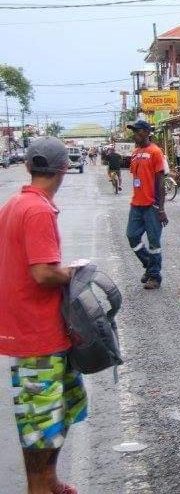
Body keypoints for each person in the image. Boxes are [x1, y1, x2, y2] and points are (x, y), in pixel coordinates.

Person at [0, 138, 86, 494]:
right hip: (38, 334)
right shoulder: (37, 210)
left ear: (27, 167)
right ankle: (39, 486)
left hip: (34, 328)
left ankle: (47, 481)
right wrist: (77, 271)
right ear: (65, 168)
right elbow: (43, 273)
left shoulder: (16, 204)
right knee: (40, 424)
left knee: (51, 417)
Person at [126, 120, 167, 290]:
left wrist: (161, 208)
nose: (134, 134)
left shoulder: (155, 152)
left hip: (152, 205)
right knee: (132, 236)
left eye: (136, 131)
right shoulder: (135, 153)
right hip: (136, 204)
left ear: (145, 132)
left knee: (153, 242)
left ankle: (155, 277)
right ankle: (149, 265)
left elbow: (161, 181)